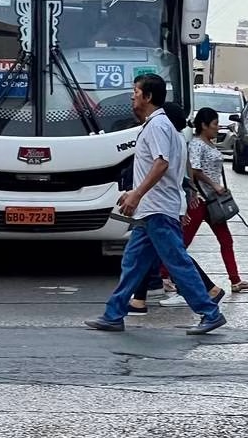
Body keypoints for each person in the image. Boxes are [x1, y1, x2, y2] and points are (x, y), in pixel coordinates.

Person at [85, 74, 227, 334]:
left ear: (148, 97)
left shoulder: (158, 126)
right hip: (150, 210)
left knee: (177, 263)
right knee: (133, 263)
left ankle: (210, 312)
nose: (132, 96)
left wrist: (137, 194)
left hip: (158, 210)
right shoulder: (159, 126)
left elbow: (161, 164)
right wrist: (133, 192)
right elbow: (159, 168)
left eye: (136, 92)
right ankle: (113, 314)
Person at [129, 101, 225, 314]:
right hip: (158, 206)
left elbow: (178, 176)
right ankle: (128, 303)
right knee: (142, 257)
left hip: (161, 206)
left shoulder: (168, 138)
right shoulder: (176, 138)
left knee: (174, 256)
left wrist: (182, 206)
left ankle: (208, 303)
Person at [181, 106, 248, 293]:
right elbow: (195, 170)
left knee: (226, 240)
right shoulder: (197, 144)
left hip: (214, 201)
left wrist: (219, 186)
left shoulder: (209, 143)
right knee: (183, 242)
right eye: (215, 124)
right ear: (204, 125)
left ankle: (235, 280)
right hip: (200, 200)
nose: (218, 127)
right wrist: (212, 185)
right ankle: (164, 275)